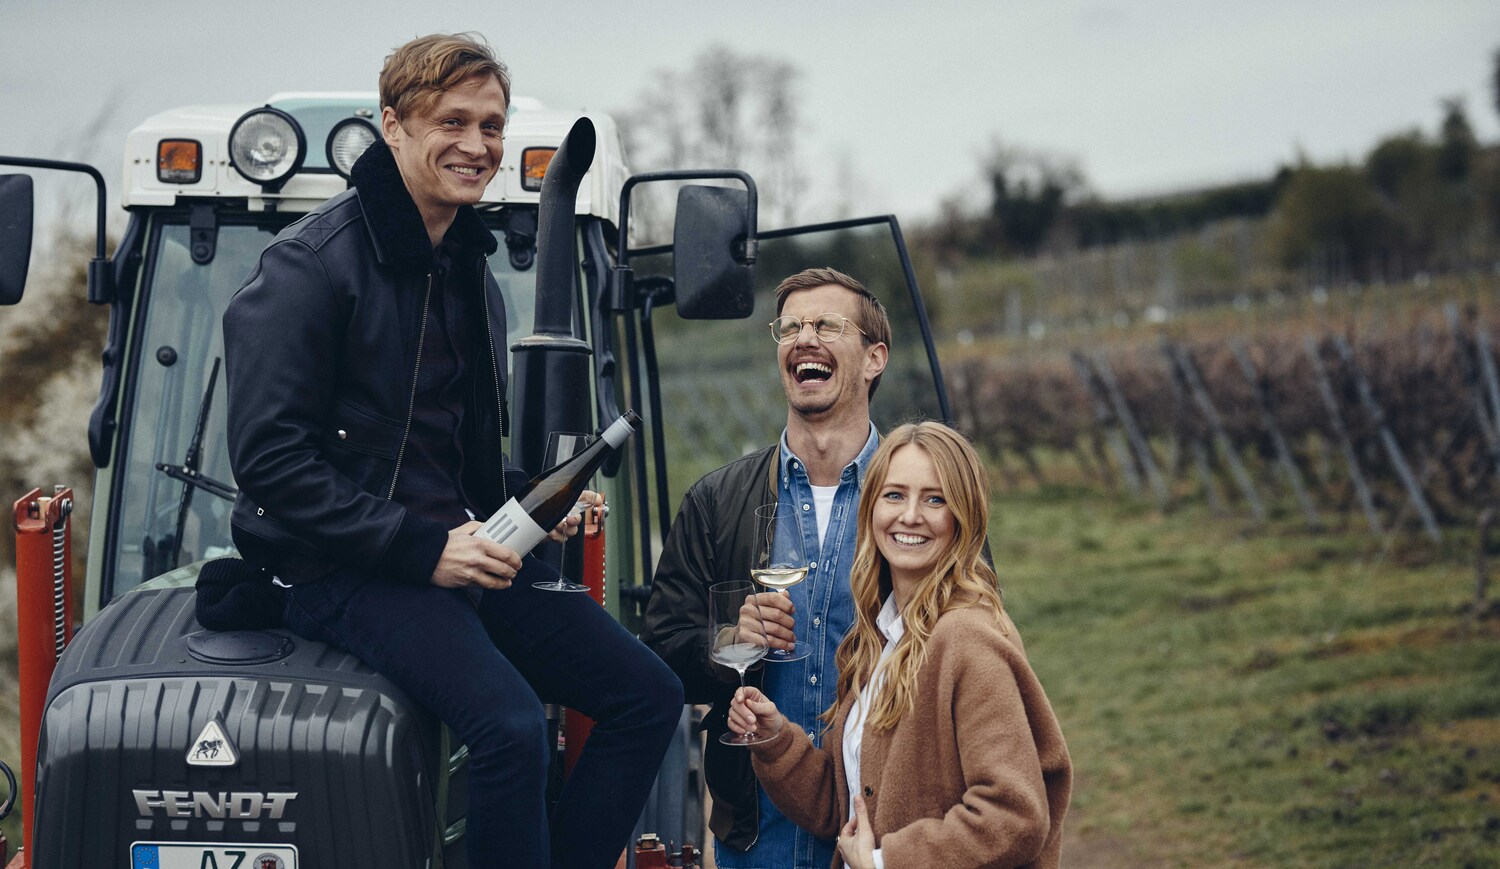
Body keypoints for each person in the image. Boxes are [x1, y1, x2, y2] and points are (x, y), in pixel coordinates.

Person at [222, 33, 682, 869]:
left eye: (492, 126)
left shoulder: (466, 270)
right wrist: (424, 547)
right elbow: (272, 464)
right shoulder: (307, 269)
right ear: (392, 126)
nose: (477, 146)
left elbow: (435, 451)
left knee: (648, 693)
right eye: (453, 121)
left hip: (453, 544)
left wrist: (533, 497)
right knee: (507, 726)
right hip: (338, 565)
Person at [728, 422, 1072, 869]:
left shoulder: (967, 639)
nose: (910, 515)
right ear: (871, 510)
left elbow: (1015, 815)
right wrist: (775, 739)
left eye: (935, 499)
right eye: (894, 495)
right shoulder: (880, 637)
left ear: (963, 517)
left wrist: (887, 861)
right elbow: (850, 805)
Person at [643, 267, 892, 868]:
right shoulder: (715, 501)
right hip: (758, 836)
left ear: (873, 358)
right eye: (790, 327)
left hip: (885, 830)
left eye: (827, 325)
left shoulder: (923, 502)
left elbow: (973, 643)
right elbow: (659, 653)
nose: (804, 338)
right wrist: (727, 641)